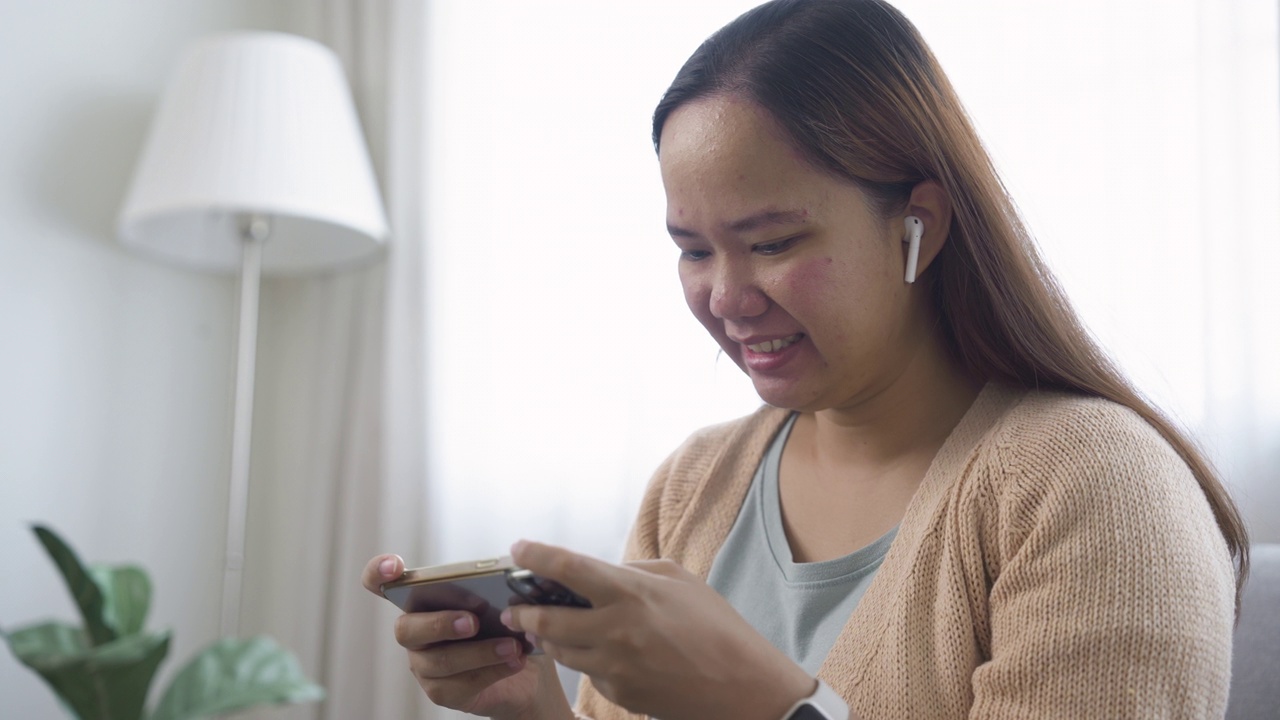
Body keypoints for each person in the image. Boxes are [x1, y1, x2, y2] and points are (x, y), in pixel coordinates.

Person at [361, 0, 1248, 717]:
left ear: (920, 226)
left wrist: (770, 707)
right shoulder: (693, 485)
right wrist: (535, 711)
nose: (725, 297)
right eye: (694, 250)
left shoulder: (1093, 485)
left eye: (774, 241)